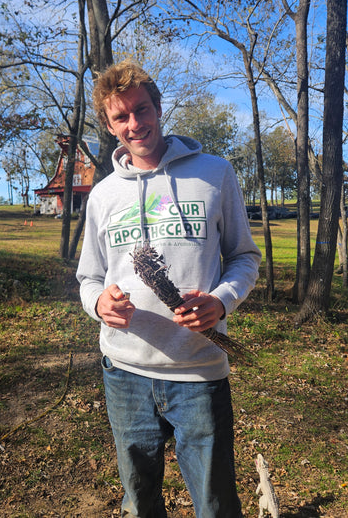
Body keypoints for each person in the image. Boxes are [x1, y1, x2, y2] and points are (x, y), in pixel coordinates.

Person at [76, 60, 261, 518]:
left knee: (215, 505)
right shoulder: (102, 196)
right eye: (121, 116)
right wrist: (99, 305)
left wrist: (221, 301)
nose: (135, 124)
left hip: (198, 371)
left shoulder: (214, 172)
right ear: (108, 123)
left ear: (158, 108)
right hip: (124, 374)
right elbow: (88, 278)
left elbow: (244, 257)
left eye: (142, 110)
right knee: (140, 503)